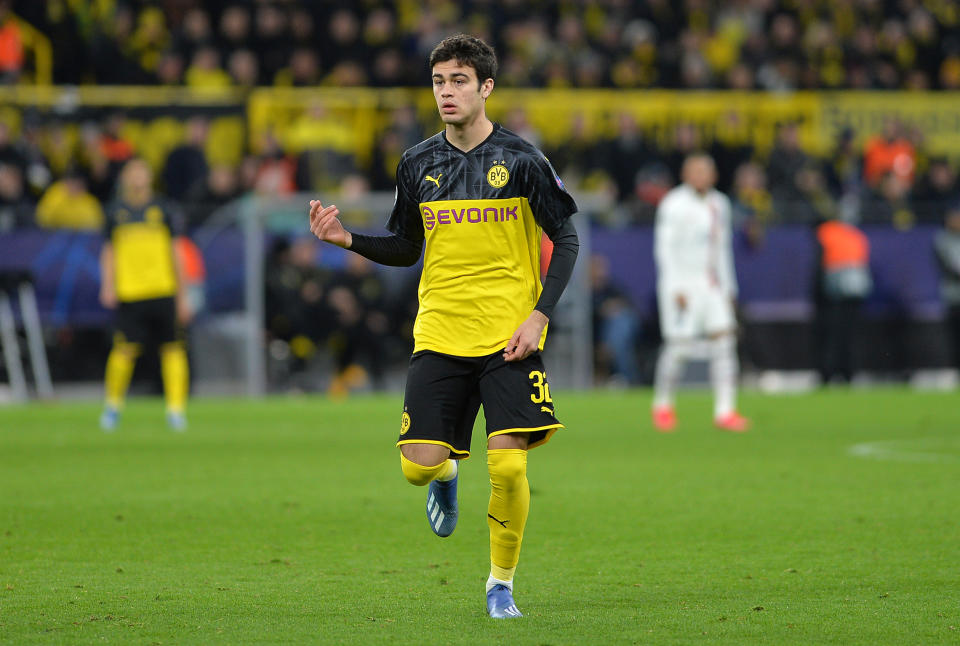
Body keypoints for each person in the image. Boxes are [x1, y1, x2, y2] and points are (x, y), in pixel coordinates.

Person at [307, 34, 579, 619]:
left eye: (459, 81)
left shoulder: (524, 160)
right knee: (417, 466)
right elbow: (407, 247)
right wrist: (345, 238)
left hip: (510, 335)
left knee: (508, 461)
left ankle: (500, 584)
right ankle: (446, 474)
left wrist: (539, 314)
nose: (447, 92)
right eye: (438, 82)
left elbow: (567, 237)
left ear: (485, 87)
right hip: (440, 333)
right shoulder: (418, 162)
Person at [651, 153, 749, 432]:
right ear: (685, 174)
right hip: (682, 284)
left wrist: (730, 288)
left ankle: (725, 411)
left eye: (705, 171)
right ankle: (663, 406)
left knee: (725, 342)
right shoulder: (673, 204)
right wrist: (674, 287)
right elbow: (664, 249)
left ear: (714, 175)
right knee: (679, 347)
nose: (700, 176)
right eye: (695, 171)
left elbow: (722, 250)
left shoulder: (720, 203)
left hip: (712, 285)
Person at [99, 158, 192, 431]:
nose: (138, 177)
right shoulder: (115, 212)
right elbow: (109, 252)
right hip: (130, 292)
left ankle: (176, 410)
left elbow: (177, 252)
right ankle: (113, 406)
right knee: (124, 349)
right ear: (125, 178)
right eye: (133, 172)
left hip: (163, 290)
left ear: (150, 177)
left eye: (143, 171)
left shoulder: (164, 209)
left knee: (173, 349)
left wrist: (183, 294)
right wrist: (108, 285)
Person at [813, 216, 871, 384]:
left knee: (831, 335)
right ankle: (849, 374)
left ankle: (828, 374)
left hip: (833, 290)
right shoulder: (855, 235)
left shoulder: (825, 232)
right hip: (856, 288)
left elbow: (819, 262)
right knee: (850, 335)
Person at [933, 204, 960, 374]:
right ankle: (955, 369)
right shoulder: (942, 239)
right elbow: (950, 267)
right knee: (955, 336)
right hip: (953, 296)